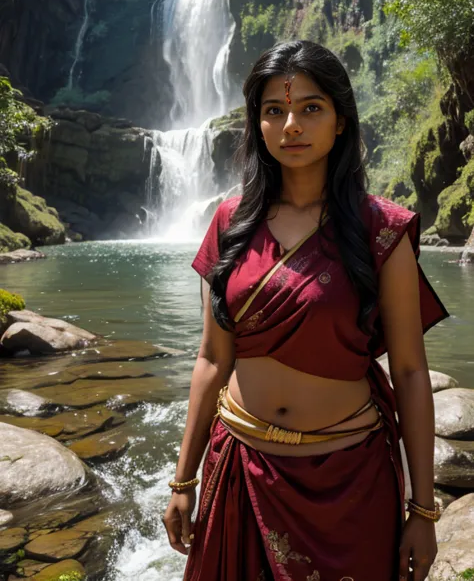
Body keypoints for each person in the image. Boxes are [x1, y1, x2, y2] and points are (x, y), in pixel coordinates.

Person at [162, 40, 449, 581]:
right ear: (258, 123)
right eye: (275, 110)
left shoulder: (380, 231)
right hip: (240, 470)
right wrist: (184, 481)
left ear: (340, 121)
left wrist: (424, 509)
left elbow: (410, 372)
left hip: (349, 481)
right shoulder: (230, 221)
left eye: (310, 108)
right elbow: (211, 361)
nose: (291, 124)